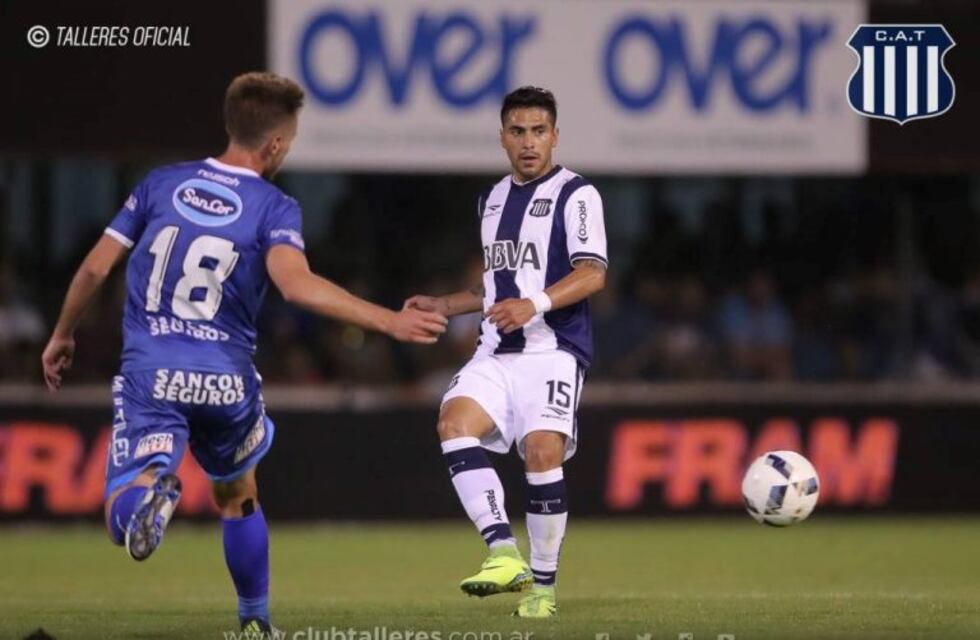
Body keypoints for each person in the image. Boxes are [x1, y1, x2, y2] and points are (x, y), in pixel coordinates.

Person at [40, 72, 447, 637]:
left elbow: (94, 267)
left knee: (123, 501)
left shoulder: (160, 185)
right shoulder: (274, 207)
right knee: (238, 493)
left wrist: (63, 332)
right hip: (226, 380)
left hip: (152, 371)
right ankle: (255, 622)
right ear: (276, 143)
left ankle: (148, 498)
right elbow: (298, 286)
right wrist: (388, 320)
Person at [404, 86, 607, 618]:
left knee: (542, 453)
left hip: (553, 350)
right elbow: (496, 290)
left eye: (539, 131)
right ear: (502, 138)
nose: (529, 141)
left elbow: (592, 273)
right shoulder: (490, 199)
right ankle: (502, 551)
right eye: (518, 131)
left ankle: (543, 589)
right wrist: (446, 304)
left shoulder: (577, 194)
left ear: (555, 136)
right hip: (496, 349)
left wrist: (533, 305)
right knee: (453, 423)